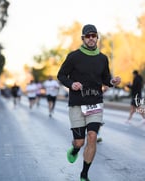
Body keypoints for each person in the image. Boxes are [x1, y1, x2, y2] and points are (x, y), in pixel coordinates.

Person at [57, 24, 121, 181]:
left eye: (94, 36)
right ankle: (75, 149)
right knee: (80, 141)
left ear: (97, 38)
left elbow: (105, 78)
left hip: (95, 103)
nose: (91, 38)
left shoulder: (102, 58)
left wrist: (112, 81)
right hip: (77, 103)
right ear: (83, 38)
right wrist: (72, 84)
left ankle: (84, 175)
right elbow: (61, 75)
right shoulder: (74, 57)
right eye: (88, 36)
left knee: (92, 136)